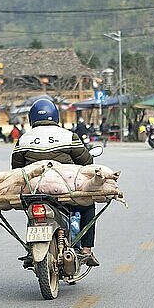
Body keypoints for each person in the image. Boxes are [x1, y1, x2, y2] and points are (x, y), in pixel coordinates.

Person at [11, 99, 99, 267]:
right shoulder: (68, 136)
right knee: (88, 206)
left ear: (32, 118)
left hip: (35, 193)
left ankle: (32, 248)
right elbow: (86, 161)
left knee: (31, 211)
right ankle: (86, 250)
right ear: (56, 116)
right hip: (64, 192)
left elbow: (16, 169)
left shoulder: (22, 140)